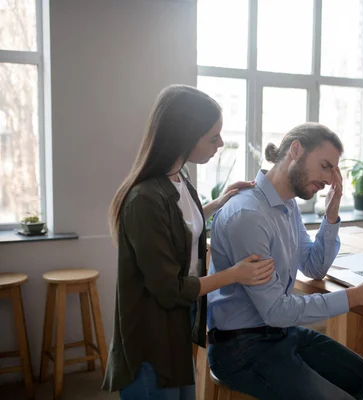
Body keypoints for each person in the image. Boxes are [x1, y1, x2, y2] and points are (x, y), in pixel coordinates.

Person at [101, 85, 275, 400]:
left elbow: (178, 225)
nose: (220, 144)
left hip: (179, 323)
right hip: (150, 335)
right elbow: (170, 289)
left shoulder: (180, 178)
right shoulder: (143, 199)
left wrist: (216, 203)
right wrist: (235, 274)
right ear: (184, 136)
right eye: (212, 137)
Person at [207, 123, 363, 400]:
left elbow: (314, 267)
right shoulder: (249, 215)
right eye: (325, 166)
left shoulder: (287, 204)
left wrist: (331, 214)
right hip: (241, 347)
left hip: (279, 333)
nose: (330, 179)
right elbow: (276, 310)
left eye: (333, 170)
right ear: (295, 150)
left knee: (360, 378)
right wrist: (355, 296)